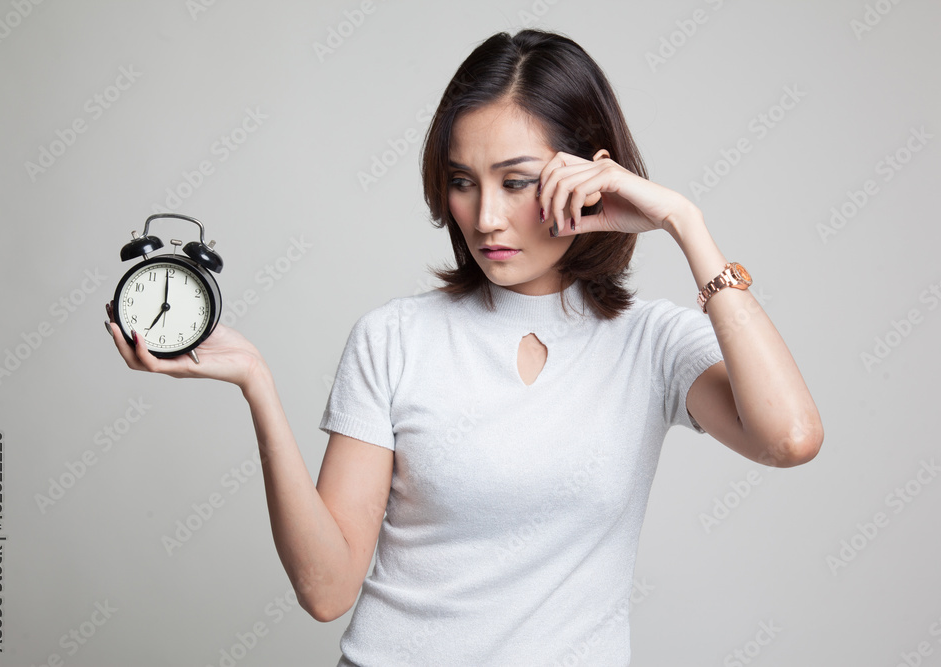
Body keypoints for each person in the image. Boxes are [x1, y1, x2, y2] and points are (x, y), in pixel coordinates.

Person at [106, 28, 823, 667]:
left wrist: (683, 221)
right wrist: (257, 384)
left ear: (591, 173)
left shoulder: (652, 344)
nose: (485, 217)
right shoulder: (394, 338)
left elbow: (789, 438)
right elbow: (327, 591)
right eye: (462, 182)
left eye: (516, 182)